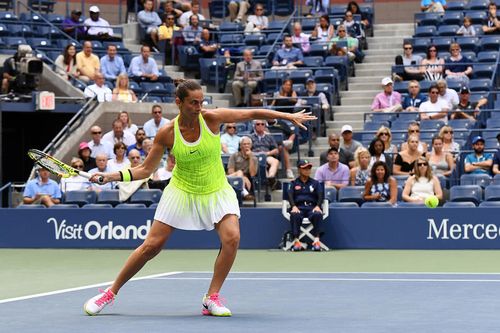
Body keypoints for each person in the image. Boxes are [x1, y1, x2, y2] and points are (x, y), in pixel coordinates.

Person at [83, 79, 316, 317]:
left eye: (201, 101)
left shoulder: (211, 118)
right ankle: (110, 293)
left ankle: (211, 297)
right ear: (178, 103)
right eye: (193, 102)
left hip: (216, 190)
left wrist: (288, 117)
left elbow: (250, 112)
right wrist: (112, 176)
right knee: (151, 247)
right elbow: (144, 169)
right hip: (182, 191)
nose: (198, 106)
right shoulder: (167, 133)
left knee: (232, 238)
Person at [287, 159, 324, 252]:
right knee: (294, 214)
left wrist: (318, 206)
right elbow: (290, 195)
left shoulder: (316, 183)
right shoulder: (293, 183)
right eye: (304, 168)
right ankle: (296, 241)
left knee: (317, 214)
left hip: (312, 207)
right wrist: (293, 206)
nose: (307, 170)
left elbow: (320, 195)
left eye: (309, 168)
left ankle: (316, 241)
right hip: (299, 207)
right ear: (299, 170)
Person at [250, 120, 280, 188]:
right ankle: (268, 181)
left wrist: (267, 153)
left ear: (265, 126)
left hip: (267, 155)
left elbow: (276, 150)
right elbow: (247, 150)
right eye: (258, 124)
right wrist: (256, 154)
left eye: (262, 124)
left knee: (275, 161)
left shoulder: (269, 137)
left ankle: (271, 177)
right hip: (255, 157)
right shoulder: (250, 137)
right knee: (260, 163)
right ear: (254, 126)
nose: (260, 126)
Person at [227, 136, 257, 201]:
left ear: (251, 146)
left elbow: (252, 174)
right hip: (232, 178)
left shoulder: (254, 158)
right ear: (240, 146)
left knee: (240, 174)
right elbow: (230, 171)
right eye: (244, 144)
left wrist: (250, 158)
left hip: (247, 181)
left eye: (248, 144)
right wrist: (243, 177)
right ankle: (244, 193)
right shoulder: (234, 156)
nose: (246, 146)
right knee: (240, 172)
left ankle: (243, 192)